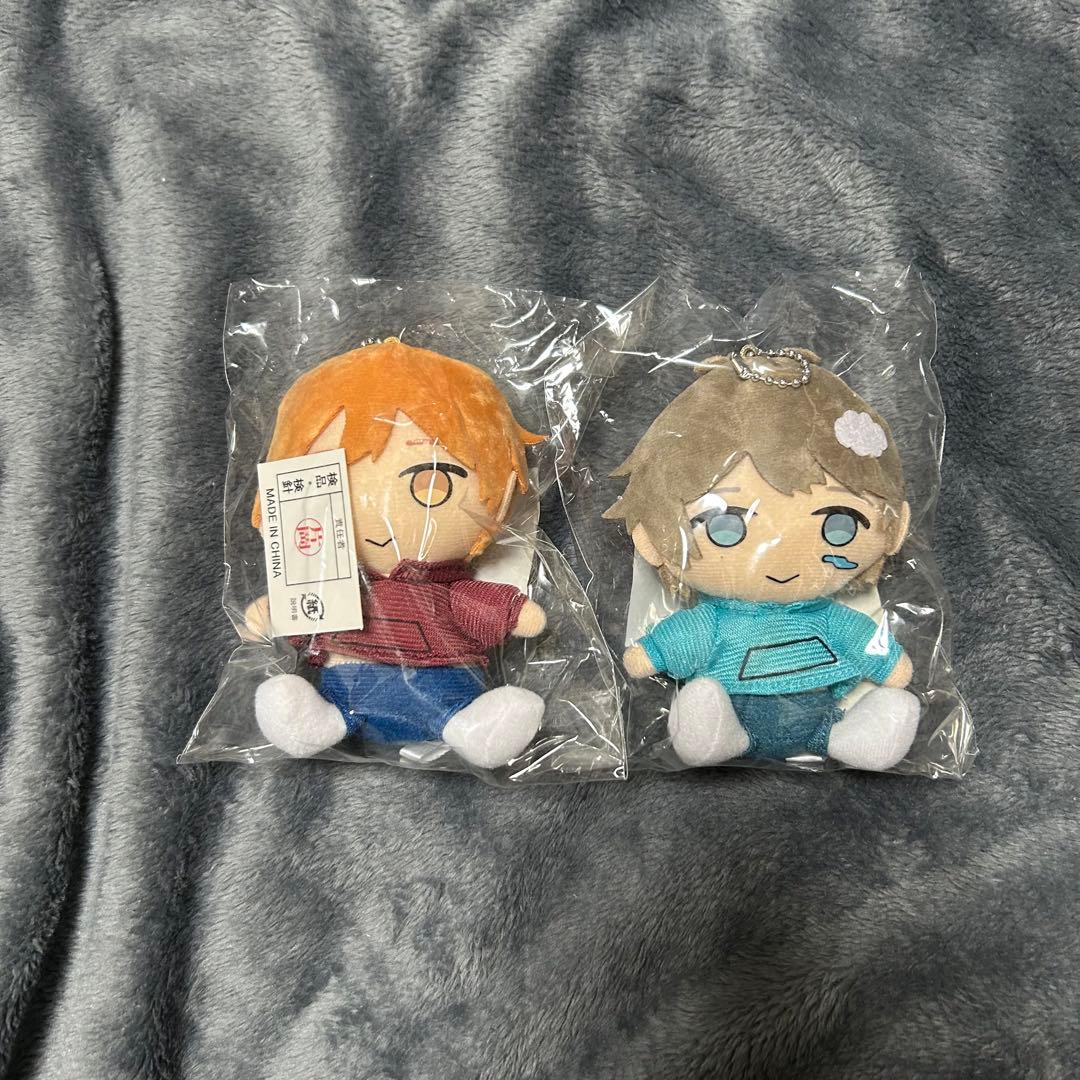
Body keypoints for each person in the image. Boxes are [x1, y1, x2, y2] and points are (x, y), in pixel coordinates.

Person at [605, 344, 920, 771]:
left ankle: (847, 736)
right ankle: (719, 735)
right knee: (705, 701)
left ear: (893, 529)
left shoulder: (826, 618)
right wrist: (653, 653)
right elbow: (685, 637)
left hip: (822, 716)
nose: (781, 559)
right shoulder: (719, 620)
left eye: (839, 525)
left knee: (888, 706)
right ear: (651, 538)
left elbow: (865, 643)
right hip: (733, 717)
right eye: (725, 526)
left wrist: (889, 665)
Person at [249, 338, 547, 768]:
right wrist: (274, 611)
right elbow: (303, 606)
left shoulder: (445, 590)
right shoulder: (333, 584)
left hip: (446, 689)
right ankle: (322, 721)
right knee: (297, 698)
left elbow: (477, 604)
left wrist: (513, 612)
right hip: (347, 692)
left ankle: (468, 727)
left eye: (432, 483)